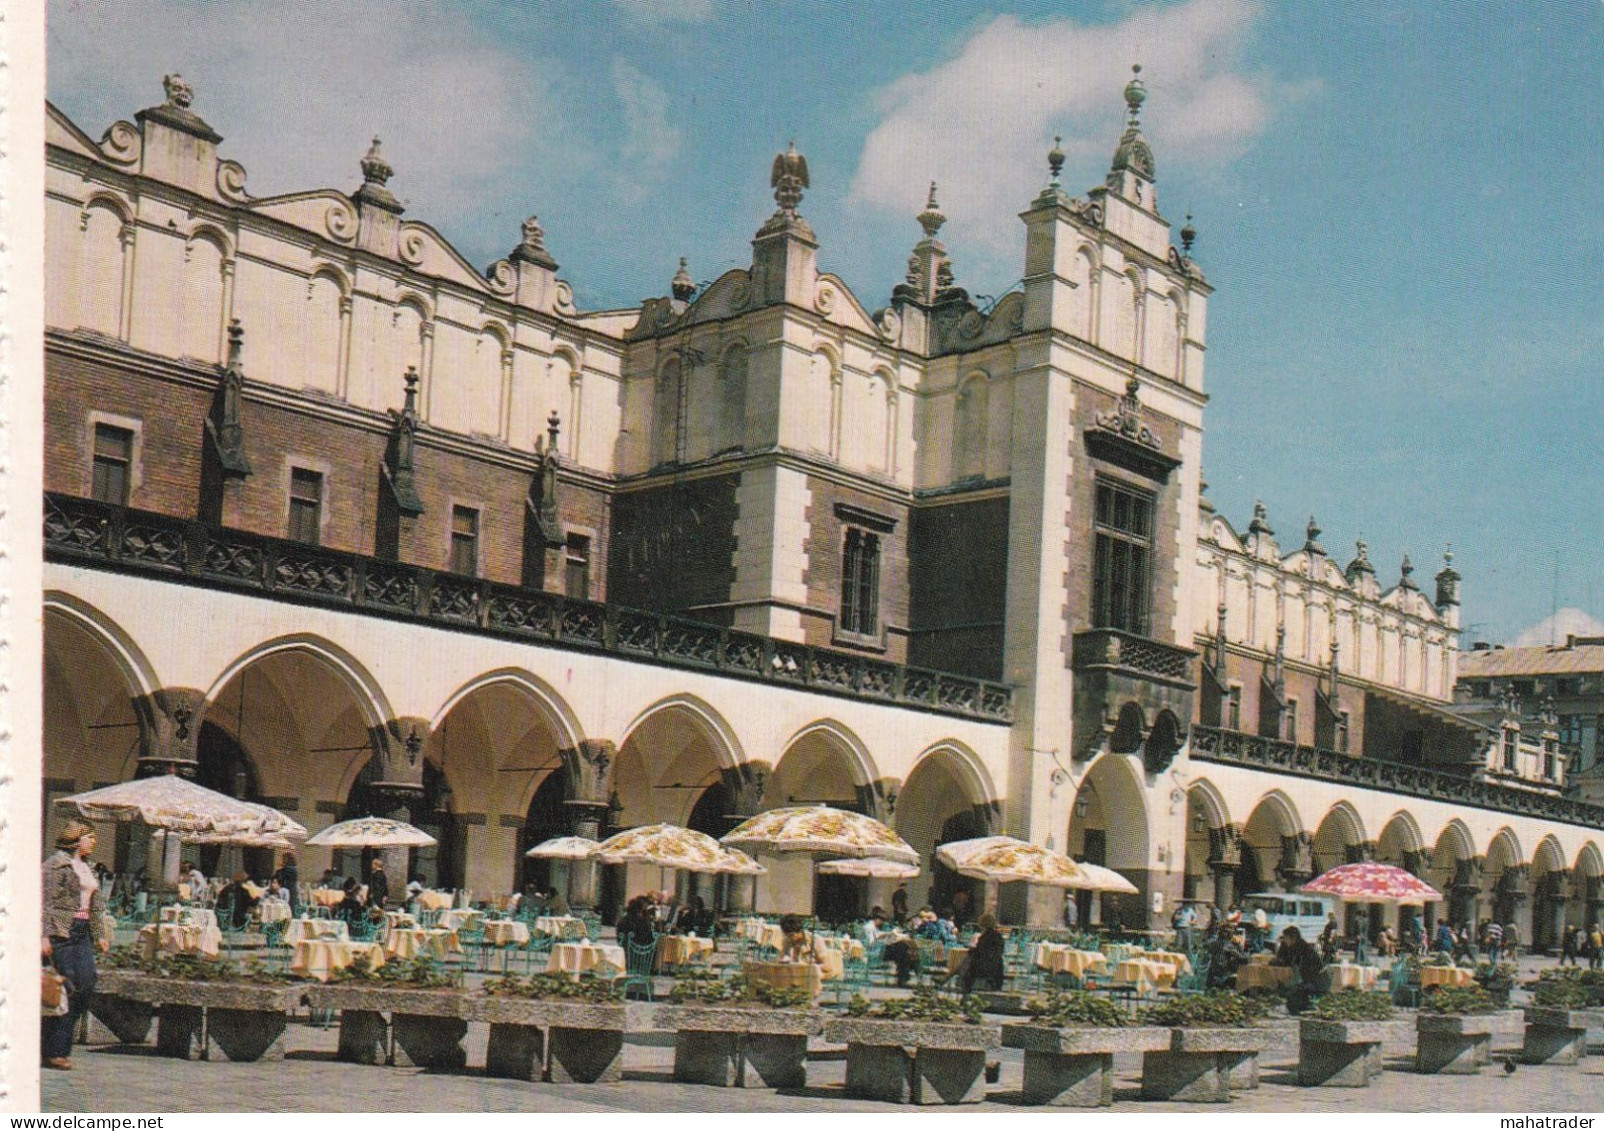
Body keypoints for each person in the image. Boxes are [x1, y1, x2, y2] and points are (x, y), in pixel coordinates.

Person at [42, 820, 111, 1071]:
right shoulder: (54, 865)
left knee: (87, 982)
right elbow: (45, 902)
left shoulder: (88, 867)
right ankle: (55, 1050)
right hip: (62, 930)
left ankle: (51, 1044)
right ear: (76, 839)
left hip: (82, 933)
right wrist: (43, 935)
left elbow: (96, 905)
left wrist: (100, 934)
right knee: (67, 985)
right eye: (89, 837)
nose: (93, 841)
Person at [1271, 925, 1325, 1015]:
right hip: (1305, 976)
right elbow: (1283, 958)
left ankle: (1297, 1006)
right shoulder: (1294, 945)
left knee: (1290, 988)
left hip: (1312, 978)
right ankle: (1300, 1005)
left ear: (1293, 938)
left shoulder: (1300, 947)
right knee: (1287, 986)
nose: (1284, 940)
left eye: (1286, 938)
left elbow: (1289, 962)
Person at [957, 913, 1006, 993]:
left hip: (985, 966)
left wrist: (972, 950)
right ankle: (948, 976)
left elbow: (981, 952)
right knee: (965, 962)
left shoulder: (986, 936)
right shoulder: (998, 936)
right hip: (997, 966)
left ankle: (951, 979)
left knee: (966, 962)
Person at [1203, 923, 1248, 990]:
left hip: (1211, 976)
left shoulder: (1213, 943)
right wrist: (1238, 945)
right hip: (1223, 976)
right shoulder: (1228, 946)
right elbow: (1244, 960)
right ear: (1230, 934)